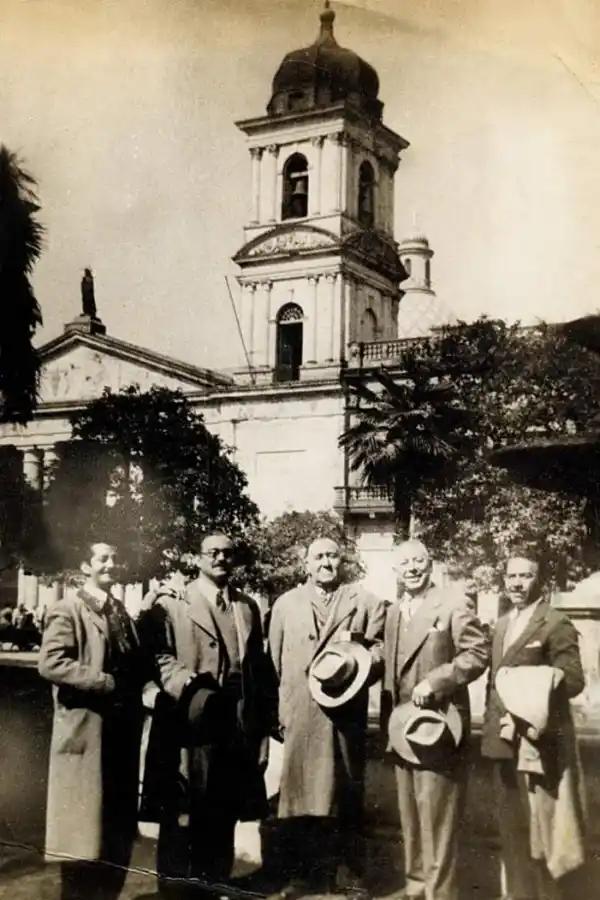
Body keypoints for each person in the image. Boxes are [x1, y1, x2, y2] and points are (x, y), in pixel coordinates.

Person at [141, 532, 272, 898]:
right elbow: (159, 657)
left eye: (228, 553)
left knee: (222, 818)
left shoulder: (247, 608)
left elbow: (257, 671)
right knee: (181, 819)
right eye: (212, 553)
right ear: (197, 558)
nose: (221, 559)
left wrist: (259, 730)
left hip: (233, 731)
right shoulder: (173, 603)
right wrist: (189, 687)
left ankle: (214, 889)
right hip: (187, 727)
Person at [267, 537, 386, 900]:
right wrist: (284, 708)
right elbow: (274, 659)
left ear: (343, 561)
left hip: (344, 712)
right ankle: (303, 876)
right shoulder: (286, 604)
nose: (326, 563)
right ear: (306, 564)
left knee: (345, 793)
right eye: (318, 557)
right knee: (301, 795)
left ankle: (349, 876)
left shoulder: (365, 601)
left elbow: (380, 649)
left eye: (332, 555)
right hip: (302, 711)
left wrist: (360, 665)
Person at [382, 539, 490, 900]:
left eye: (419, 561)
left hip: (438, 728)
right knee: (411, 821)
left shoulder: (453, 603)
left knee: (438, 825)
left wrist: (437, 681)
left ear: (431, 564)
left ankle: (441, 896)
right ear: (395, 571)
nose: (412, 569)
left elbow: (477, 652)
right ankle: (416, 890)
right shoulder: (395, 612)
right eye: (404, 564)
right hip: (402, 729)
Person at [38, 541, 146, 900]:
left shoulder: (121, 612)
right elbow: (51, 663)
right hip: (85, 738)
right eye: (103, 559)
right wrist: (101, 681)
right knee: (81, 845)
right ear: (85, 567)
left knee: (114, 842)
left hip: (119, 738)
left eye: (115, 558)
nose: (111, 564)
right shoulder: (67, 609)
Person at [481, 548, 586, 900]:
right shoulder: (501, 624)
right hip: (501, 744)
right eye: (511, 576)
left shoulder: (555, 622)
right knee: (510, 833)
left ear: (539, 579)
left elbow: (572, 680)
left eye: (525, 575)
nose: (517, 583)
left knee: (542, 836)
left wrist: (525, 700)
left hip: (536, 748)